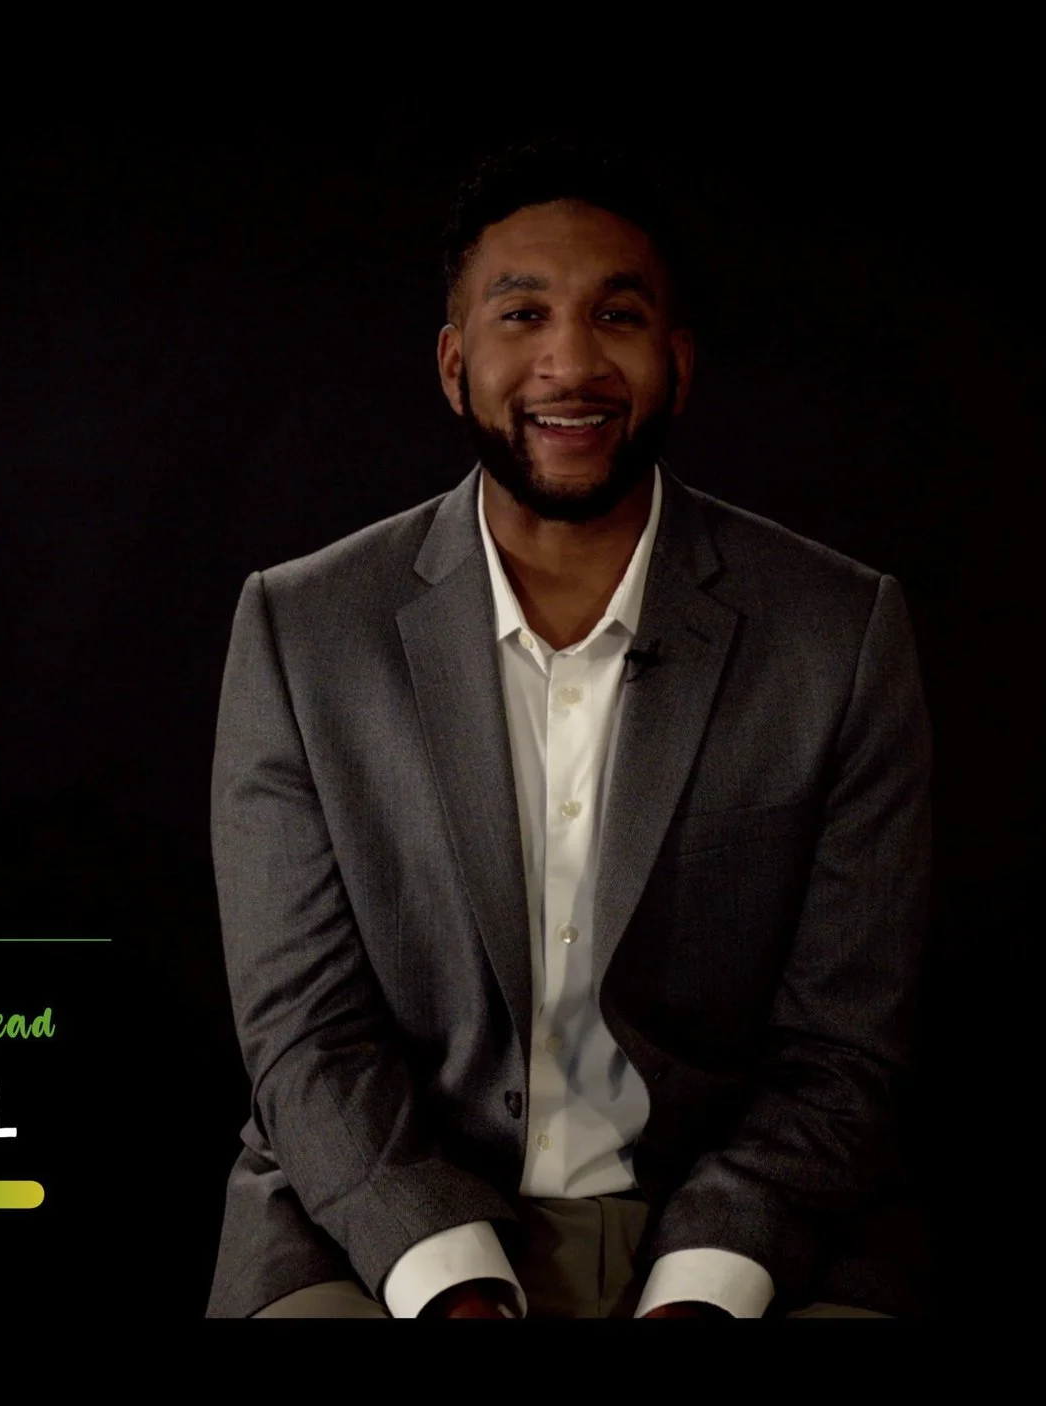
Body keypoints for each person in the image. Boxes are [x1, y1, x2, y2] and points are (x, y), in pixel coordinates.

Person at [205, 138, 932, 1319]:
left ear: (677, 362)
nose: (570, 362)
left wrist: (706, 1283)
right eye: (522, 314)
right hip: (379, 1224)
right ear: (454, 363)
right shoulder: (302, 628)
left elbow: (843, 1046)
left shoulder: (839, 631)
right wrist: (449, 1283)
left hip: (745, 1219)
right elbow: (303, 1034)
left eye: (618, 316)